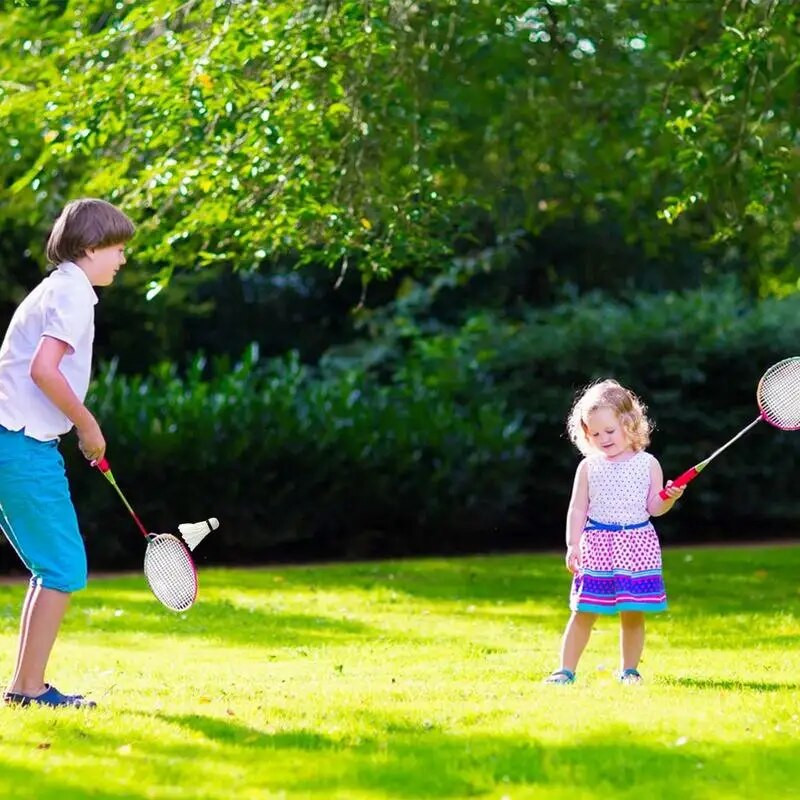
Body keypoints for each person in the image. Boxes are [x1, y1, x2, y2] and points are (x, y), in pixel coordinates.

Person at [0, 198, 134, 708]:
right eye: (118, 249)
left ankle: (24, 688)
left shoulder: (58, 289)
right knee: (62, 567)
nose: (122, 260)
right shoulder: (72, 295)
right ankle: (28, 689)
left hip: (13, 442)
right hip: (20, 444)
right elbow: (44, 369)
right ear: (91, 247)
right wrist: (89, 425)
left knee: (52, 567)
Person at [544, 379, 684, 685]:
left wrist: (669, 498)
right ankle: (565, 670)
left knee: (632, 613)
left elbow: (653, 508)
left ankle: (629, 670)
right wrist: (572, 544)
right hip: (597, 545)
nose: (603, 438)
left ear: (629, 424)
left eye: (610, 431)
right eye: (595, 433)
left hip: (636, 545)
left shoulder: (648, 464)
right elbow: (577, 509)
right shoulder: (589, 467)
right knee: (583, 610)